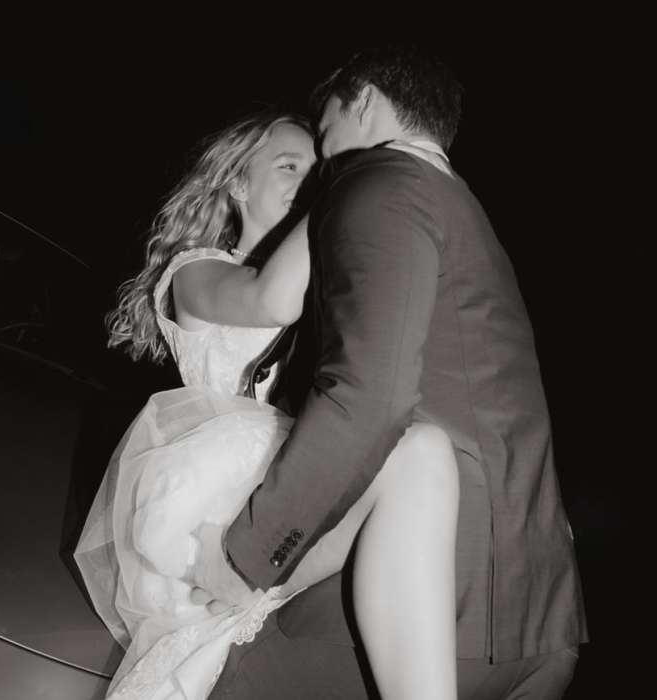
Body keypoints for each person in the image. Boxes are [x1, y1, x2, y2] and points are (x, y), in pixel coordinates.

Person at [191, 45, 588, 700]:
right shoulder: (466, 212)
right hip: (535, 619)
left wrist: (250, 558)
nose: (326, 163)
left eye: (325, 133)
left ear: (365, 102)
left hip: (423, 593)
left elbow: (370, 395)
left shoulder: (382, 187)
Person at [74, 110, 461, 700]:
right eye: (288, 168)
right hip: (214, 482)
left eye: (316, 173)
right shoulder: (195, 271)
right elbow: (270, 300)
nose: (307, 185)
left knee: (414, 465)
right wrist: (354, 185)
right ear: (237, 184)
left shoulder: (316, 289)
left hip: (285, 477)